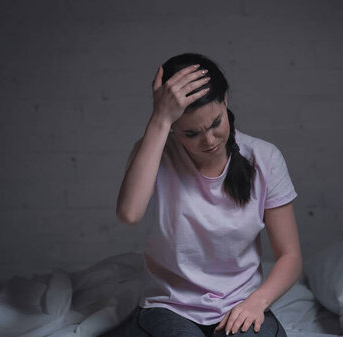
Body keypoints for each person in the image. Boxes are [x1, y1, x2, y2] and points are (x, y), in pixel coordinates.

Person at [116, 53, 302, 337]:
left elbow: (290, 255)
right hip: (170, 308)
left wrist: (256, 302)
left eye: (216, 123)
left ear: (225, 100)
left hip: (241, 304)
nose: (209, 141)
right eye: (191, 133)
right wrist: (160, 118)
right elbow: (129, 213)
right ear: (173, 128)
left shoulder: (265, 158)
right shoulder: (154, 153)